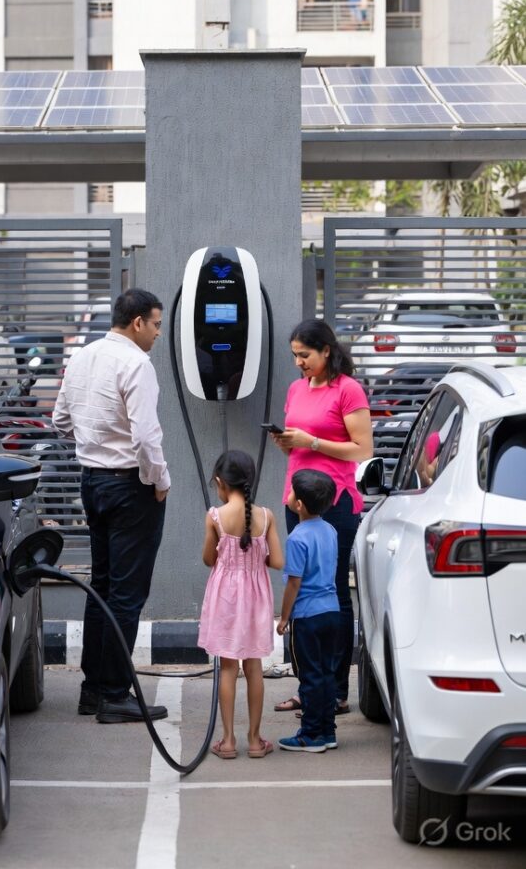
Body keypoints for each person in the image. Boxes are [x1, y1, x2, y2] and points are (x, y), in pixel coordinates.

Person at [52, 288, 171, 724]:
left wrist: (94, 445)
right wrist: (158, 480)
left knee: (101, 585)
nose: (158, 334)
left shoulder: (83, 356)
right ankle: (116, 694)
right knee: (126, 594)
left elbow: (59, 420)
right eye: (156, 325)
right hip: (130, 487)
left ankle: (93, 690)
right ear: (137, 322)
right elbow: (144, 436)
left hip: (93, 482)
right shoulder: (137, 364)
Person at [271, 318, 372, 716]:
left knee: (331, 592)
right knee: (301, 588)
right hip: (297, 498)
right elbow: (298, 448)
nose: (299, 363)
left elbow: (362, 449)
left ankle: (336, 691)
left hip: (335, 502)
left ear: (326, 351)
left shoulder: (347, 390)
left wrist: (311, 441)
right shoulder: (297, 389)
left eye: (305, 355)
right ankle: (310, 686)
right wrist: (288, 443)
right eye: (294, 356)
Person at [197, 450, 284, 759]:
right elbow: (277, 561)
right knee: (254, 666)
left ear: (221, 483)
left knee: (228, 667)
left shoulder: (216, 516)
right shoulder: (267, 516)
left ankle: (229, 740)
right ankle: (256, 740)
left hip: (225, 596)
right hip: (256, 596)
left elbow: (209, 559)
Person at [276, 469, 339, 752]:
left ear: (298, 504)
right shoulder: (332, 531)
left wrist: (284, 616)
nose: (288, 496)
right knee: (326, 673)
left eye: (291, 492)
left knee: (309, 676)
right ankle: (328, 731)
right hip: (333, 612)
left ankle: (311, 734)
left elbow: (294, 582)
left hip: (307, 616)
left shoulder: (297, 538)